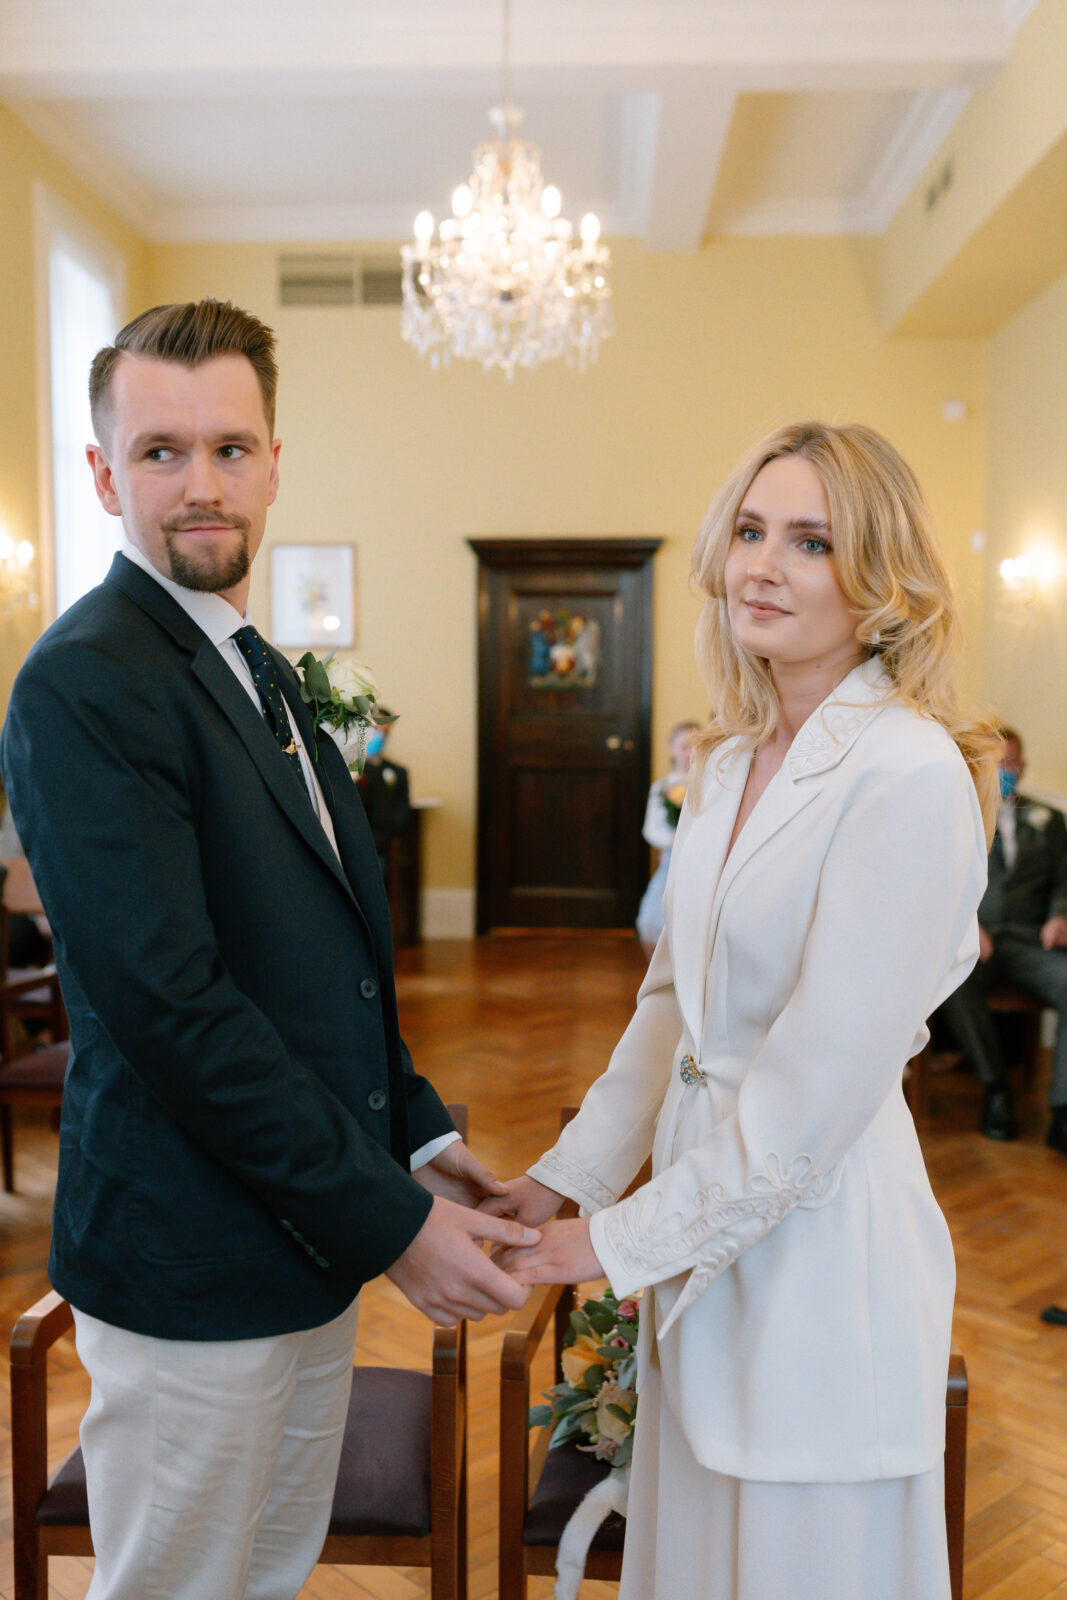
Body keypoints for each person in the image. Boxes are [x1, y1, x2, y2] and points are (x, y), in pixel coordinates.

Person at [0, 299, 537, 1600]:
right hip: (188, 1258)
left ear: (274, 464)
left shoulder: (255, 667)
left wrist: (418, 1135)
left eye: (229, 448)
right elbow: (173, 1007)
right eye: (161, 452)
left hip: (302, 1245)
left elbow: (315, 963)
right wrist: (393, 1223)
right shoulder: (87, 681)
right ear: (104, 475)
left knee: (266, 1575)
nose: (202, 483)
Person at [485, 421, 998, 1600]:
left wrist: (608, 1245)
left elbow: (811, 1098)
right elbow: (671, 1008)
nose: (761, 566)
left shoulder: (908, 774)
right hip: (697, 1237)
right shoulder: (725, 762)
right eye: (750, 531)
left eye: (810, 541)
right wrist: (563, 1179)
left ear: (879, 576)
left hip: (820, 1253)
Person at [938, 727, 1067, 1147]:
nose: (1004, 772)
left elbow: (1063, 882)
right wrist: (967, 924)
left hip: (1031, 941)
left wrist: (1059, 917)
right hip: (981, 941)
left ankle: (1063, 1111)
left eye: (1010, 763)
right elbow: (942, 881)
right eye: (997, 764)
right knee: (954, 980)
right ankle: (996, 1091)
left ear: (1022, 767)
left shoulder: (1050, 821)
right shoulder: (960, 814)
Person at [635, 720, 698, 958]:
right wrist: (672, 840)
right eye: (684, 746)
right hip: (670, 861)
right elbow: (651, 828)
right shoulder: (662, 787)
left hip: (696, 860)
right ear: (672, 749)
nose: (689, 753)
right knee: (649, 921)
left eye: (695, 746)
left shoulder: (706, 782)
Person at [356, 712, 413, 878]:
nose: (379, 736)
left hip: (379, 845)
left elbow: (402, 814)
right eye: (375, 729)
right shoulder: (346, 767)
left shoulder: (397, 772)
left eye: (384, 731)